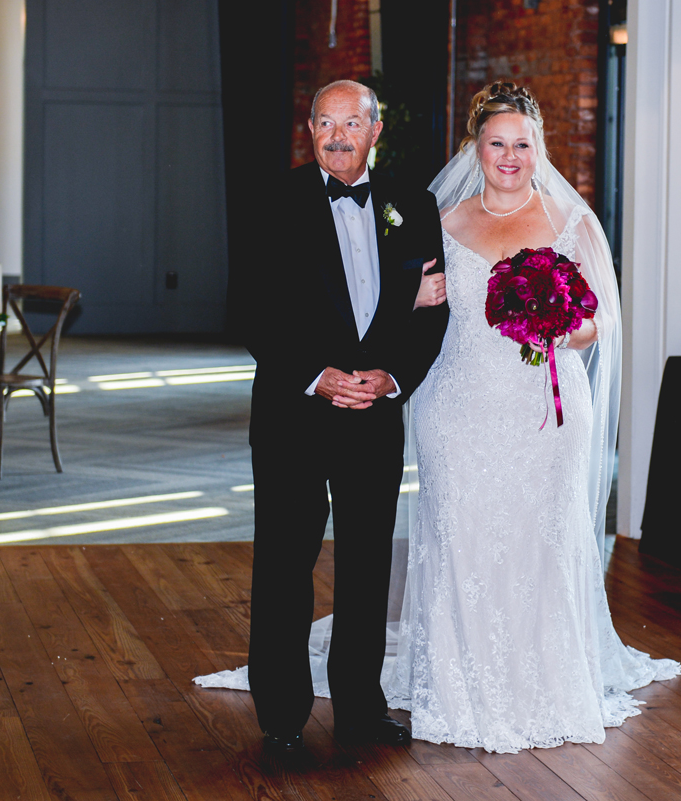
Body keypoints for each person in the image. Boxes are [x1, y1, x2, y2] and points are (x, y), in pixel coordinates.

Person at [385, 81, 681, 753]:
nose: (510, 156)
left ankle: (541, 683)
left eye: (523, 144)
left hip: (545, 412)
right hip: (456, 410)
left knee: (537, 543)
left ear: (538, 148)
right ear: (475, 147)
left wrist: (552, 327)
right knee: (462, 539)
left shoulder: (569, 223)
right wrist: (412, 295)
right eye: (497, 143)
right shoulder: (443, 220)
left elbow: (600, 319)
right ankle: (458, 686)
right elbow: (407, 305)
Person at [231, 79, 449, 755]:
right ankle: (282, 714)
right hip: (293, 411)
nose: (335, 135)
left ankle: (359, 705)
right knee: (284, 563)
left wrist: (392, 378)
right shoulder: (274, 199)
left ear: (375, 131)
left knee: (366, 565)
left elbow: (431, 305)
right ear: (311, 130)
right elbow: (250, 305)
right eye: (324, 123)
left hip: (374, 414)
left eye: (350, 123)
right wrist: (316, 376)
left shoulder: (413, 206)